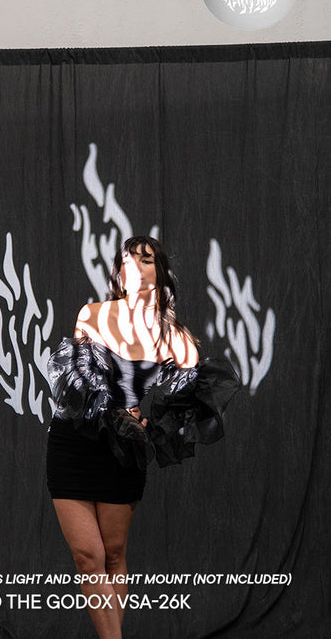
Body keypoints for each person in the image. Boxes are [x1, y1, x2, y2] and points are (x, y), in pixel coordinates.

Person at [46, 236, 239, 639]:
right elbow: (77, 382)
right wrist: (114, 406)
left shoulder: (173, 335)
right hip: (73, 442)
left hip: (123, 451)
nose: (135, 265)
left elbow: (199, 391)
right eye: (127, 260)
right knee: (88, 557)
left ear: (160, 272)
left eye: (145, 259)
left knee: (114, 556)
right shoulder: (92, 314)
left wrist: (154, 423)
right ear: (118, 273)